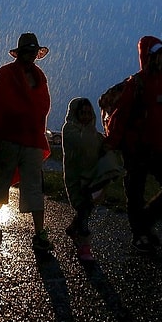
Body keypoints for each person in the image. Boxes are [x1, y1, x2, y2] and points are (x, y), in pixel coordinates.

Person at [103, 36, 162, 253]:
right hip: (135, 150)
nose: (161, 59)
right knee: (135, 193)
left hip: (158, 150)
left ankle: (143, 224)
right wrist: (111, 143)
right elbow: (121, 116)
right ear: (147, 56)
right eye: (157, 55)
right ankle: (140, 235)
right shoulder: (136, 83)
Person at [0, 32, 54, 254]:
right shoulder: (5, 73)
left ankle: (39, 233)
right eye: (27, 51)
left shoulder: (40, 76)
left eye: (33, 51)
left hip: (32, 139)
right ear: (20, 52)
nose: (31, 55)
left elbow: (43, 105)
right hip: (7, 139)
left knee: (34, 185)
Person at [62, 97, 122, 262]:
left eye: (89, 113)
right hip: (76, 179)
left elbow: (106, 147)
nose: (86, 117)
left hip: (91, 179)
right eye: (82, 113)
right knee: (83, 207)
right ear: (75, 113)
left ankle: (75, 229)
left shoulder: (95, 135)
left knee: (85, 209)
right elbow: (82, 143)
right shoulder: (70, 129)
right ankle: (83, 243)